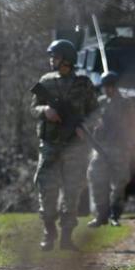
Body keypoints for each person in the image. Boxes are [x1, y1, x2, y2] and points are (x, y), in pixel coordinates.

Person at [30, 39, 98, 251]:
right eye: (52, 56)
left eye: (56, 56)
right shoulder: (46, 81)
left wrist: (84, 127)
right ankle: (49, 233)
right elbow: (33, 108)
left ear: (67, 60)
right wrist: (45, 112)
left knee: (72, 191)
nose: (52, 60)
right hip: (49, 145)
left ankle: (67, 237)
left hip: (75, 147)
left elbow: (95, 113)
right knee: (47, 191)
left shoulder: (84, 84)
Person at [86, 71, 135, 228]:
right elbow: (91, 120)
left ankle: (115, 214)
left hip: (119, 147)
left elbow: (129, 122)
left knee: (119, 182)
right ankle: (101, 215)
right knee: (95, 178)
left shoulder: (124, 103)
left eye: (110, 86)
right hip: (101, 147)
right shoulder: (99, 102)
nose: (108, 89)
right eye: (105, 87)